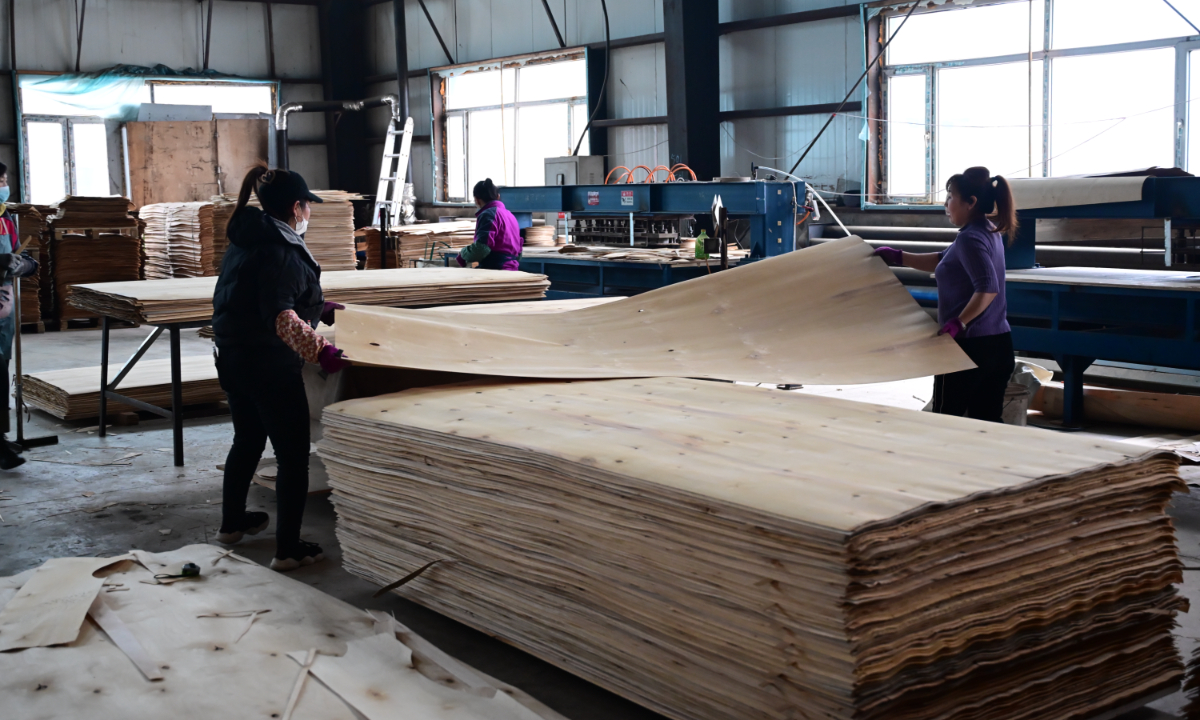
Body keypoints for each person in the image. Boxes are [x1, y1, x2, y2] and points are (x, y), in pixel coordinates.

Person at [211, 166, 350, 571]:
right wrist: (320, 350)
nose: (309, 212)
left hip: (233, 360)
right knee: (292, 457)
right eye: (308, 205)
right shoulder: (283, 249)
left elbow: (253, 295)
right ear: (296, 207)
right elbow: (280, 316)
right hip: (268, 365)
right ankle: (288, 549)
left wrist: (318, 308)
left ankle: (231, 524)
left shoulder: (247, 238)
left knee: (247, 440)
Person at [874, 166, 1017, 423]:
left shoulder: (969, 239)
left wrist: (959, 322)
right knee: (987, 423)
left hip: (968, 347)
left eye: (950, 196)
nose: (946, 203)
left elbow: (988, 288)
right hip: (998, 345)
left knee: (945, 421)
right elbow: (944, 261)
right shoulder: (987, 230)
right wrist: (899, 257)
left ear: (971, 202)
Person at [0, 163, 38, 470]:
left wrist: (20, 265)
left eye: (4, 180)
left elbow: (26, 258)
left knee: (1, 372)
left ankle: (0, 436)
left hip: (4, 311)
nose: (3, 185)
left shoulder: (5, 218)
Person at [456, 178, 523, 270]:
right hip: (512, 269)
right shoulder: (511, 216)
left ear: (477, 200)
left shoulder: (488, 214)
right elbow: (519, 253)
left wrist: (463, 254)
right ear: (498, 197)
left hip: (495, 272)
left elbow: (481, 249)